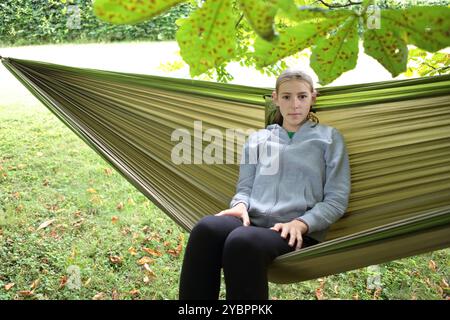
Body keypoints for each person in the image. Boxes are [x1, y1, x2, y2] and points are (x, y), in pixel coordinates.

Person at [179, 68, 351, 300]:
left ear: (313, 97)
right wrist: (240, 205)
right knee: (206, 229)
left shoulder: (329, 139)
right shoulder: (258, 139)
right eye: (286, 97)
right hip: (253, 221)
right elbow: (245, 188)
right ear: (275, 98)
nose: (294, 105)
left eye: (302, 96)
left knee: (242, 242)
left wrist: (302, 223)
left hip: (296, 231)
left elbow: (336, 199)